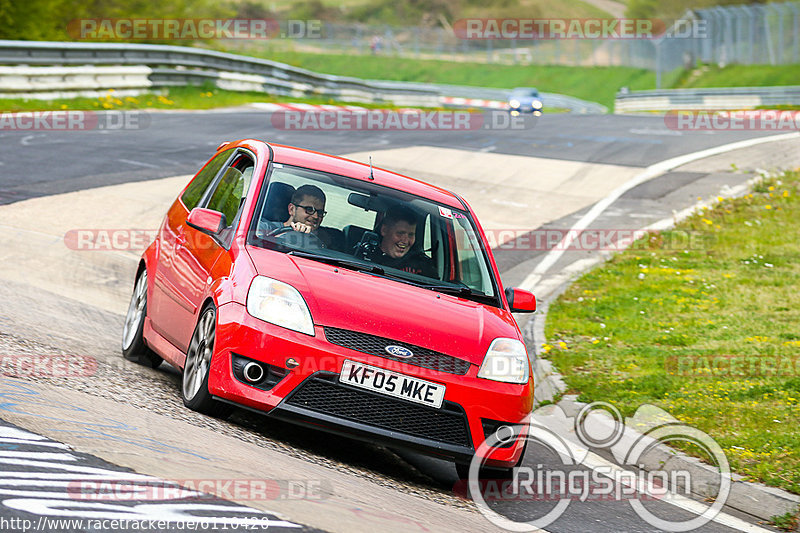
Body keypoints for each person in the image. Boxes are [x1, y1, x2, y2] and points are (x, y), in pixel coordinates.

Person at [366, 204, 436, 278]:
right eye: (400, 233)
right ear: (384, 230)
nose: (405, 241)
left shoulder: (423, 265)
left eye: (411, 235)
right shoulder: (366, 258)